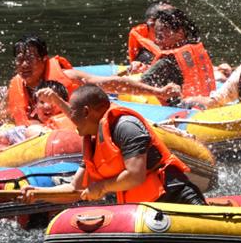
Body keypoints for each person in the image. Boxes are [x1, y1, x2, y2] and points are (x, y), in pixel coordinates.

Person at [21, 84, 206, 205]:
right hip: (146, 210)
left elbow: (135, 176)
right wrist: (37, 192)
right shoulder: (92, 142)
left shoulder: (125, 126)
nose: (71, 119)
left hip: (176, 198)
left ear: (86, 112)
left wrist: (102, 187)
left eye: (73, 113)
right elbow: (75, 189)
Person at [0, 36, 180, 129]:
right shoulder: (17, 87)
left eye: (30, 59)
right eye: (19, 60)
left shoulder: (69, 77)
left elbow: (113, 84)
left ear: (43, 59)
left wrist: (158, 91)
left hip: (79, 130)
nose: (24, 65)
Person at [0, 80, 75, 148]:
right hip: (41, 156)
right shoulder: (23, 130)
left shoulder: (78, 123)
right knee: (31, 130)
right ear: (35, 109)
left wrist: (58, 100)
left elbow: (77, 118)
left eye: (53, 102)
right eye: (42, 102)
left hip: (73, 158)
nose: (47, 106)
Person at [137, 7, 217, 105]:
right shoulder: (199, 51)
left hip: (180, 111)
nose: (156, 41)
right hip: (208, 103)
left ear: (179, 33)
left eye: (160, 36)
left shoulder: (166, 61)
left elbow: (137, 86)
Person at [127, 1, 172, 73]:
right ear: (152, 23)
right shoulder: (139, 32)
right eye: (168, 18)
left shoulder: (183, 30)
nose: (174, 20)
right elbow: (133, 59)